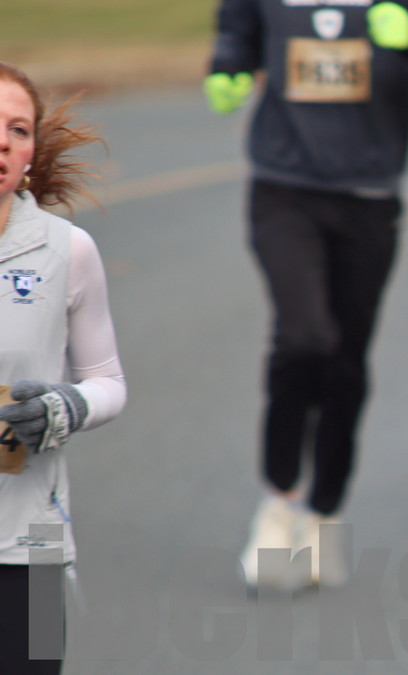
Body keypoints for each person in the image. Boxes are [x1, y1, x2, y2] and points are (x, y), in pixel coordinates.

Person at [205, 0, 408, 589]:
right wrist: (227, 66)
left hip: (369, 198)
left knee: (345, 360)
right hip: (284, 188)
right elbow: (237, 30)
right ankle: (278, 502)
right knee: (303, 338)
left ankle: (322, 512)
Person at [0, 61, 127, 675]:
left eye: (18, 129)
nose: (3, 141)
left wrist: (67, 406)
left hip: (33, 537)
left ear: (30, 153)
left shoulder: (67, 250)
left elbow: (109, 382)